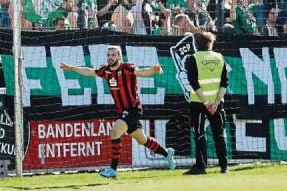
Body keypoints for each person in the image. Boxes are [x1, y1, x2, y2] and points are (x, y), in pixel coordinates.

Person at [59, 46, 175, 179]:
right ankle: (167, 154)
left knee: (114, 132)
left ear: (119, 56)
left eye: (113, 55)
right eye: (108, 55)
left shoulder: (126, 68)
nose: (110, 57)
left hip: (133, 108)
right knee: (142, 139)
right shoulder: (106, 70)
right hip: (122, 111)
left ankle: (113, 169)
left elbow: (141, 72)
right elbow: (90, 72)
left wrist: (153, 70)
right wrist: (71, 68)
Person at [184, 31, 228, 175]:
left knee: (199, 134)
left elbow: (194, 83)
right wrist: (215, 102)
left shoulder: (192, 59)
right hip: (217, 103)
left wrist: (207, 102)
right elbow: (224, 83)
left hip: (199, 103)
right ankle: (224, 166)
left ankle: (201, 166)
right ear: (211, 43)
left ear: (196, 44)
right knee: (219, 134)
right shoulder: (220, 58)